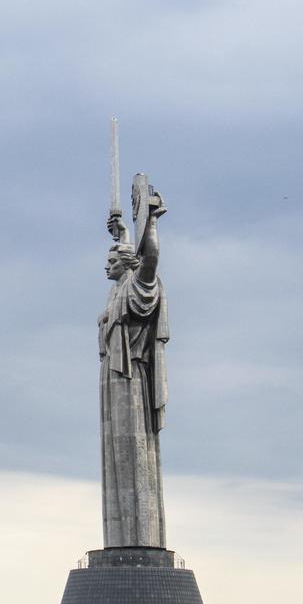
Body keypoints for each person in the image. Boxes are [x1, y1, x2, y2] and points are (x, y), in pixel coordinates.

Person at [99, 174, 170, 548]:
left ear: (127, 265)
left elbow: (149, 260)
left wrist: (152, 222)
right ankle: (123, 542)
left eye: (111, 258)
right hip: (113, 389)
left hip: (131, 386)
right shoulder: (118, 291)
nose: (105, 265)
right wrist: (124, 231)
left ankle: (138, 542)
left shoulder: (139, 286)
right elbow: (131, 257)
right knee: (115, 459)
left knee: (133, 454)